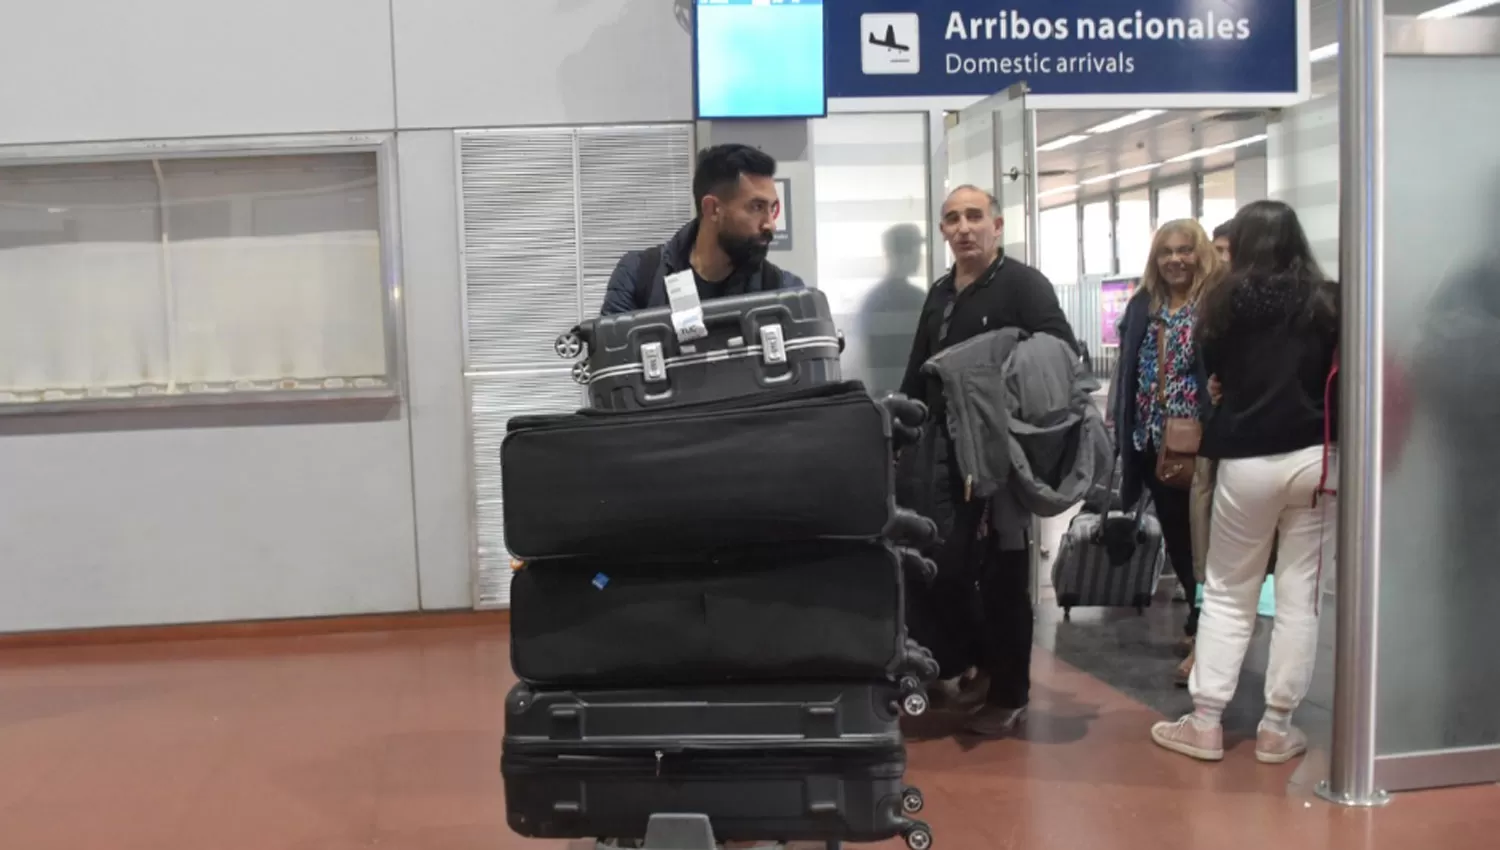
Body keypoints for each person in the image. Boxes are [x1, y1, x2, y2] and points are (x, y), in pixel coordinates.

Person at [1150, 200, 1339, 765]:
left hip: (1245, 460)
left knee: (1230, 591)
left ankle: (1206, 722)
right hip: (1315, 458)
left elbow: (1211, 377)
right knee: (1299, 597)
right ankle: (1277, 727)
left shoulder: (1222, 303)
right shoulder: (1330, 302)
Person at [898, 184, 1077, 738]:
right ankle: (976, 661)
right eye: (953, 219)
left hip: (1000, 458)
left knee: (1002, 575)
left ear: (997, 226)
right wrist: (898, 429)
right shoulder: (940, 293)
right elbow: (918, 372)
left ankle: (1009, 693)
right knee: (942, 566)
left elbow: (1059, 355)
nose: (964, 227)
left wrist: (994, 376)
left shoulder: (1024, 285)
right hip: (943, 460)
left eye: (975, 216)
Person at [1113, 220, 1221, 686]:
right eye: (1165, 252)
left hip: (1201, 441)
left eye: (1185, 250)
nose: (1175, 260)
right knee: (1179, 540)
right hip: (1153, 441)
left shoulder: (1215, 305)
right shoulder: (1144, 305)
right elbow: (1130, 368)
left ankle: (1206, 636)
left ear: (1200, 255)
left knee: (1206, 545)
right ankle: (1200, 627)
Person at [600, 143, 805, 315]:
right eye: (757, 207)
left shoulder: (784, 292)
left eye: (772, 208)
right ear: (712, 209)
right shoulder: (638, 277)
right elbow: (613, 359)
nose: (770, 224)